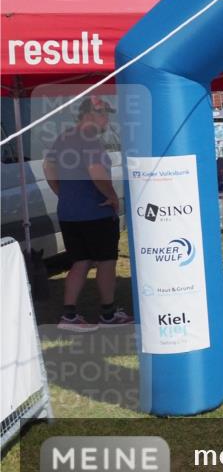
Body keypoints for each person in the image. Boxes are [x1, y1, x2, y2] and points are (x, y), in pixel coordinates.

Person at [43, 97, 133, 332]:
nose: (107, 119)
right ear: (89, 114)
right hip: (96, 213)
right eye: (103, 113)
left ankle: (69, 315)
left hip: (69, 213)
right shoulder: (90, 139)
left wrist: (62, 192)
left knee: (79, 262)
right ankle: (108, 315)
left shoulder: (63, 138)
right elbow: (96, 171)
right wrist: (112, 196)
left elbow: (48, 166)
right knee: (106, 262)